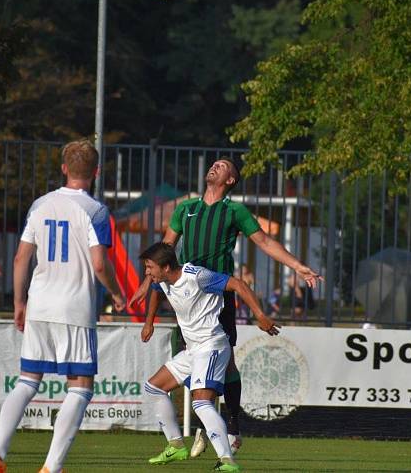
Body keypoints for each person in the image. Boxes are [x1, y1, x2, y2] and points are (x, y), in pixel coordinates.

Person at [130, 157, 321, 456]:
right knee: (189, 361)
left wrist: (298, 266)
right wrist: (146, 284)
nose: (215, 166)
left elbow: (265, 242)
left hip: (218, 297)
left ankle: (230, 427)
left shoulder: (234, 210)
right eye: (214, 164)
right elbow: (163, 251)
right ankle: (200, 428)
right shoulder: (186, 208)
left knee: (225, 360)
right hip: (186, 296)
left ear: (230, 180)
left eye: (223, 166)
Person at [0, 139, 126, 473]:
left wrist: (20, 302)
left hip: (40, 303)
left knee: (27, 381)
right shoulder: (96, 211)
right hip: (74, 308)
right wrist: (116, 295)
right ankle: (51, 467)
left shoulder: (40, 205)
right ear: (96, 172)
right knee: (80, 387)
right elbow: (100, 265)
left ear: (64, 168)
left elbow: (21, 257)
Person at [139, 242, 278, 472]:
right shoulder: (162, 282)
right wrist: (148, 322)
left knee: (201, 403)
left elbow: (239, 285)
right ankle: (175, 444)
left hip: (212, 345)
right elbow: (155, 293)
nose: (147, 273)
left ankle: (227, 461)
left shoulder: (197, 276)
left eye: (149, 267)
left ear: (165, 267)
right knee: (154, 387)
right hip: (194, 350)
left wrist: (261, 315)